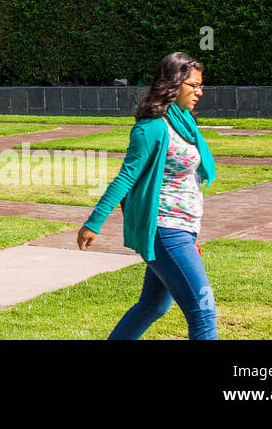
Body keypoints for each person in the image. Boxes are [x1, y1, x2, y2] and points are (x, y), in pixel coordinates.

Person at [77, 51, 218, 340]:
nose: (200, 92)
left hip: (183, 229)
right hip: (166, 230)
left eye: (200, 85)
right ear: (174, 84)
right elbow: (126, 176)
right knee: (203, 312)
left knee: (151, 307)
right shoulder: (152, 128)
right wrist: (94, 223)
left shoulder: (185, 123)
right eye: (194, 85)